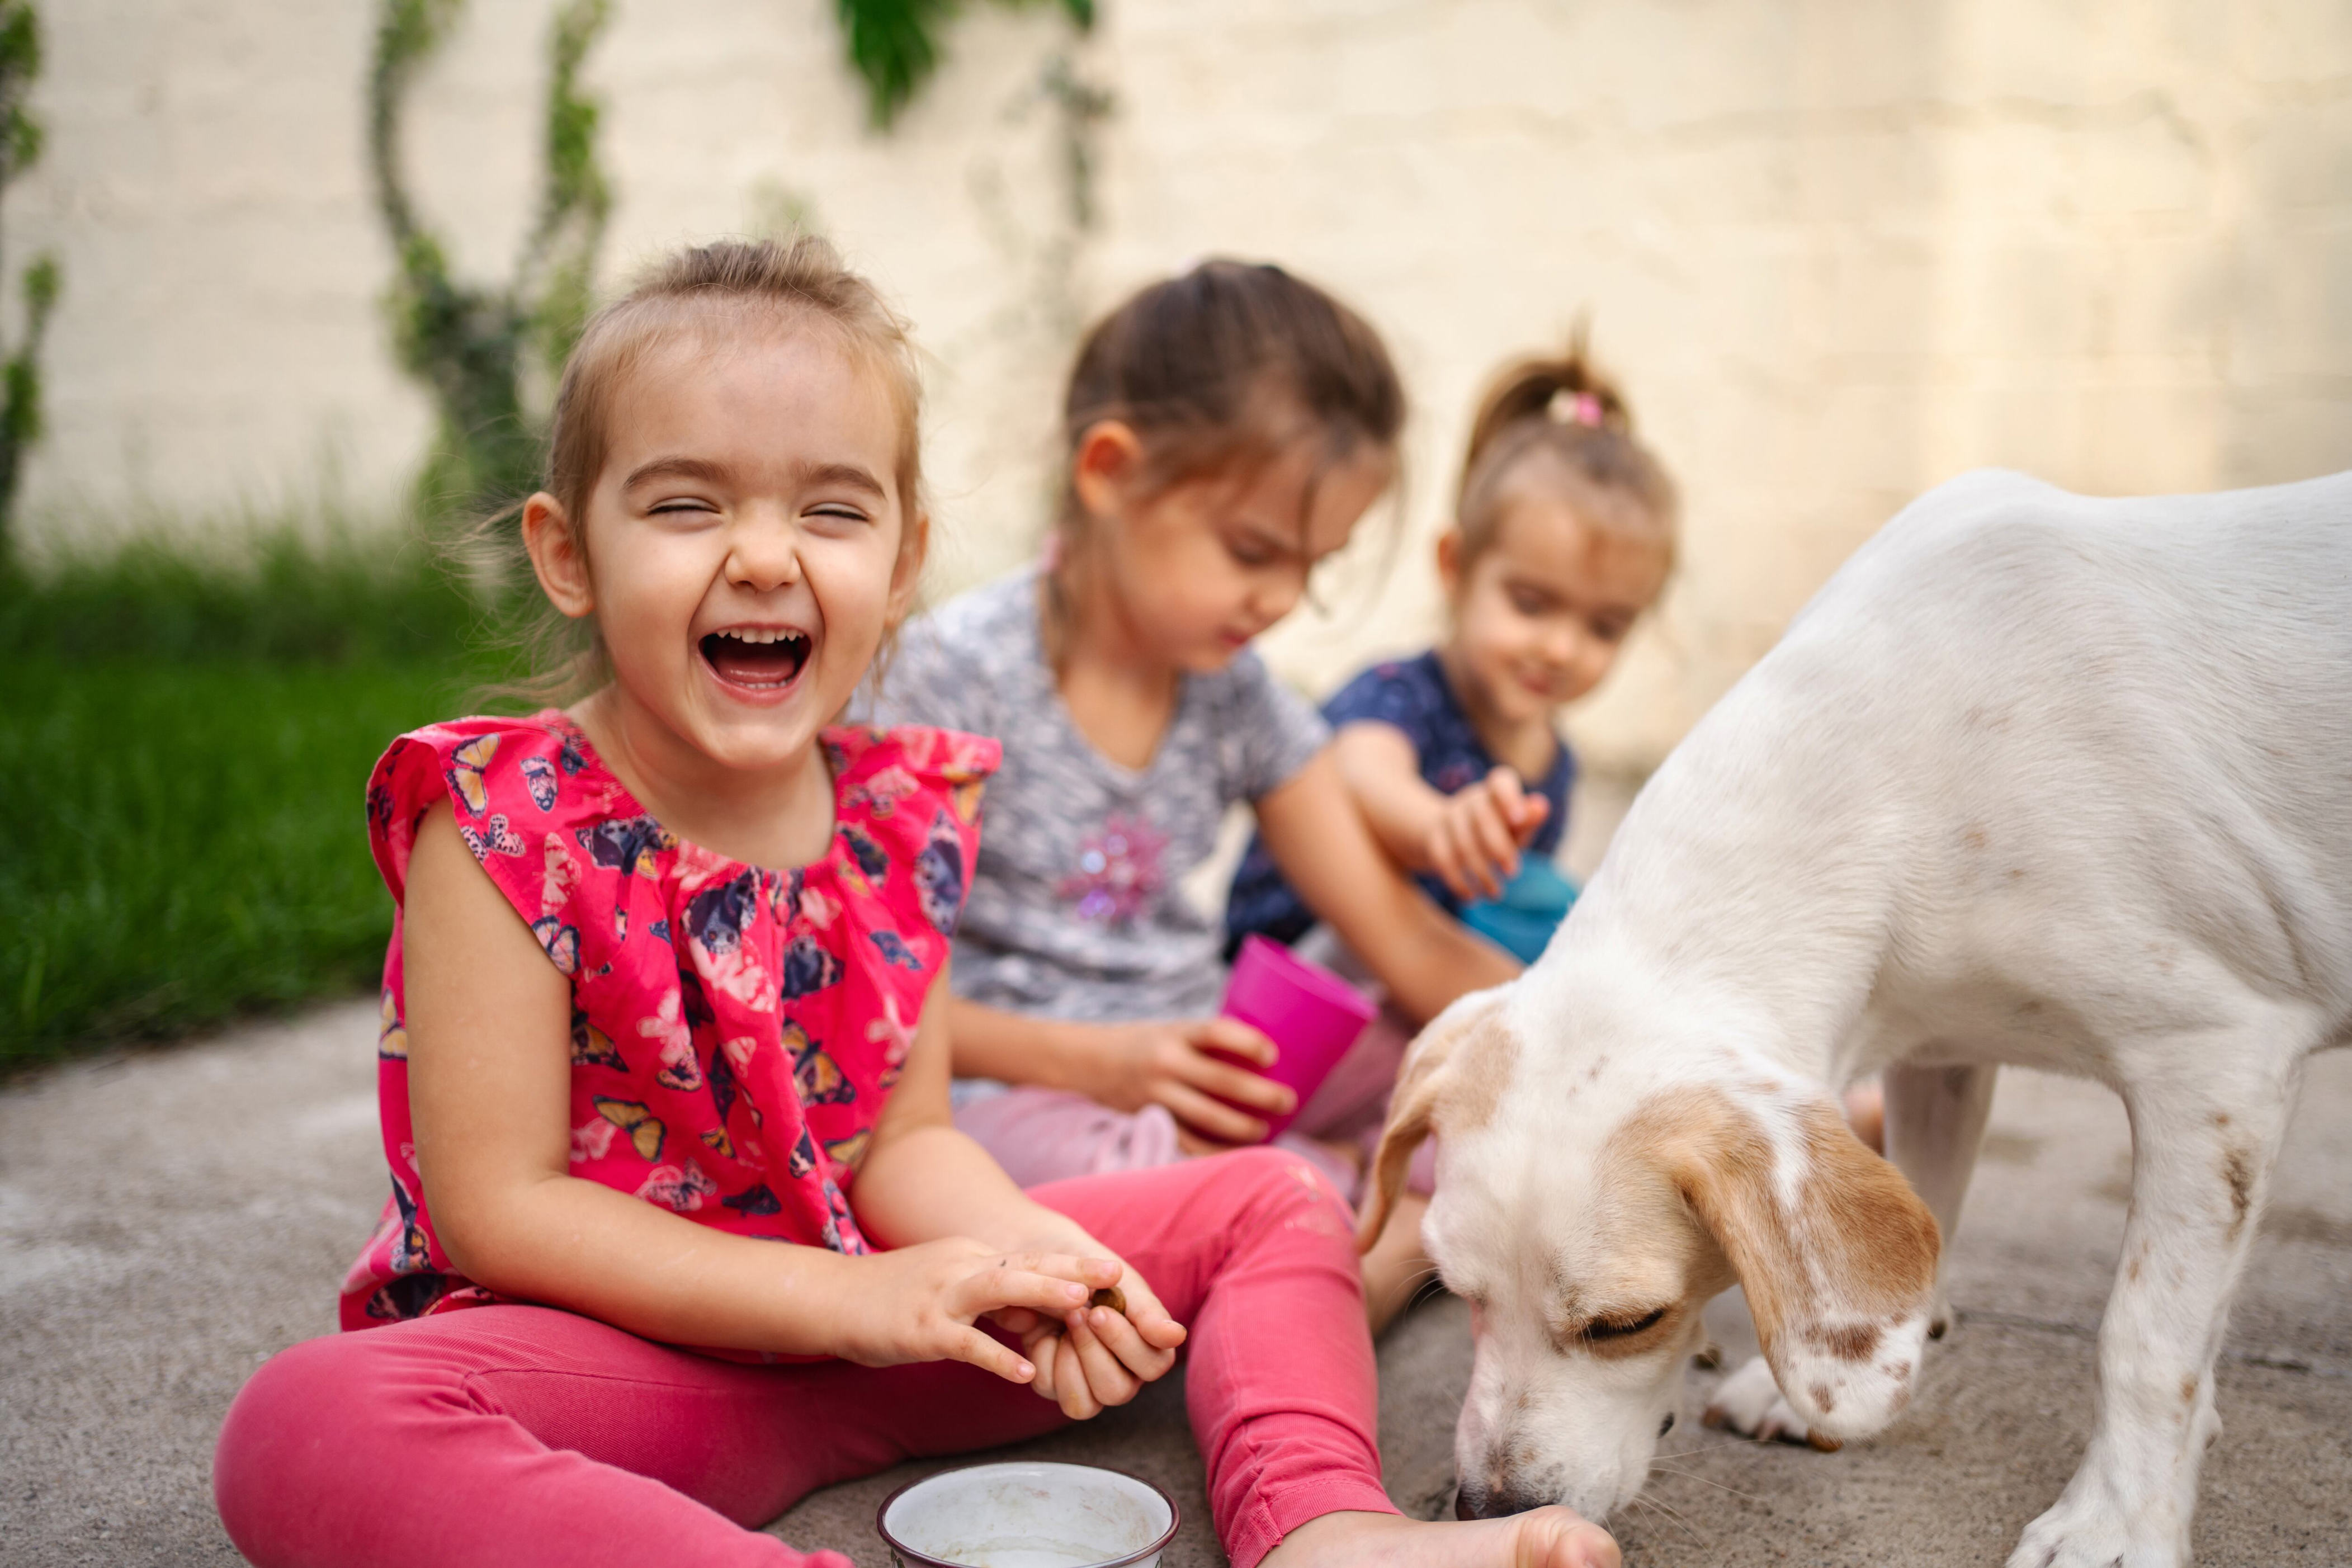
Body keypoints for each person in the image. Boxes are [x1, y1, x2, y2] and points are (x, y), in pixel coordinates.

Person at [208, 238, 1617, 1568]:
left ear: (895, 566)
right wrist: (858, 1299)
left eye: (828, 509)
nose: (766, 554)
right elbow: (497, 1210)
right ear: (567, 551)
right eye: (688, 502)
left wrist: (1032, 1258)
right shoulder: (505, 819)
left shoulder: (894, 814)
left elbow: (902, 1138)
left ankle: (1318, 1524)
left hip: (905, 1346)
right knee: (305, 1420)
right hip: (635, 1363)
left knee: (1271, 1195)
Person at [868, 261, 1519, 1330]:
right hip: (1022, 1096)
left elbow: (1397, 932)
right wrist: (1107, 1063)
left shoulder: (1236, 693)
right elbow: (878, 1009)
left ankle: (1335, 1220)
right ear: (1111, 471)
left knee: (1461, 1071)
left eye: (1312, 565)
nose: (1278, 600)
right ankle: (1367, 1234)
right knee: (1131, 1183)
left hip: (1199, 1072)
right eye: (1253, 551)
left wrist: (1583, 1021)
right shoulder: (948, 680)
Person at [1224, 344, 1676, 966]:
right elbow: (1358, 773)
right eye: (1531, 604)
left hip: (1407, 967)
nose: (1561, 648)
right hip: (1291, 960)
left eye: (1605, 626)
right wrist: (1439, 824)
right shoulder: (1400, 691)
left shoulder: (1553, 767)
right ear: (1455, 567)